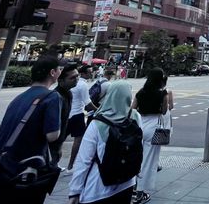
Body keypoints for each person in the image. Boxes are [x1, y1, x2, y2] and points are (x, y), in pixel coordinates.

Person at [0, 56, 62, 204]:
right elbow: (52, 135)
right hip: (25, 168)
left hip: (3, 164)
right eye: (59, 69)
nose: (60, 72)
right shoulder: (52, 97)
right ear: (52, 72)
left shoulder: (19, 98)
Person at [68, 81, 142, 204]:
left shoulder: (97, 123)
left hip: (99, 186)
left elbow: (84, 160)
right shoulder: (135, 116)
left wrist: (74, 191)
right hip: (127, 182)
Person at [132, 68, 173, 204]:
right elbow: (164, 110)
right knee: (148, 160)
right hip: (153, 125)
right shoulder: (163, 94)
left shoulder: (140, 92)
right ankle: (140, 192)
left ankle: (131, 185)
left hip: (139, 125)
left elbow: (132, 109)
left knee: (136, 156)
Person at [67, 65, 98, 171]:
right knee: (78, 140)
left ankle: (54, 162)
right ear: (83, 73)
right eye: (89, 72)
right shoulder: (83, 84)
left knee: (60, 140)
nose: (91, 74)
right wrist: (99, 110)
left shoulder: (71, 83)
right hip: (77, 114)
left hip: (67, 114)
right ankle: (70, 165)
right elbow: (87, 102)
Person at [50, 63, 79, 167]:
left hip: (58, 143)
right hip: (51, 145)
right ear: (61, 81)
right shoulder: (55, 97)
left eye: (77, 76)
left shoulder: (69, 94)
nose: (76, 79)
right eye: (72, 77)